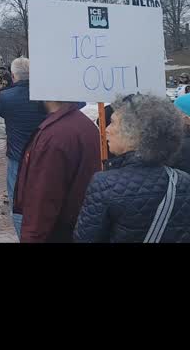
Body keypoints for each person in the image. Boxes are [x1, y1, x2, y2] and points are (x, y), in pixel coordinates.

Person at [74, 94, 190, 243]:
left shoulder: (105, 183)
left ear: (134, 134)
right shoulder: (183, 180)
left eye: (113, 123)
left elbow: (85, 238)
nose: (106, 129)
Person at [14, 99, 101, 243]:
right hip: (79, 223)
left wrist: (30, 237)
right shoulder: (83, 123)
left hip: (59, 230)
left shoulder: (54, 136)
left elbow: (43, 198)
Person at [0, 57, 49, 238]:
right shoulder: (45, 95)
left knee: (18, 203)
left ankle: (24, 237)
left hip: (17, 158)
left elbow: (1, 113)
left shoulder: (6, 97)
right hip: (43, 156)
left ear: (13, 76)